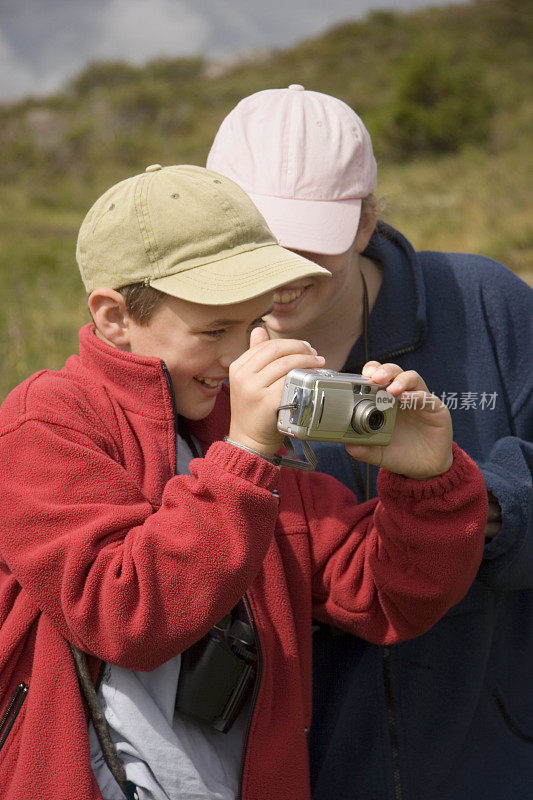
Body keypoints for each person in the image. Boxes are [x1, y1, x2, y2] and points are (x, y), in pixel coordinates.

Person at [207, 86, 533, 800]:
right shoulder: (192, 357)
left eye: (308, 238)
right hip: (296, 772)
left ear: (365, 222)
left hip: (494, 766)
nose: (282, 268)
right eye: (256, 234)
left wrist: (467, 504)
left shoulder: (485, 305)